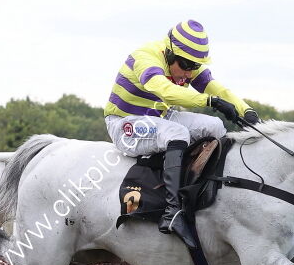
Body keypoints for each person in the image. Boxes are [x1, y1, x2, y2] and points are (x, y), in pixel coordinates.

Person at [104, 19, 256, 233]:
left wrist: (245, 110)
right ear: (169, 52)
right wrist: (210, 101)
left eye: (194, 66)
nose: (189, 72)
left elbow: (217, 89)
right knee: (178, 133)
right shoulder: (145, 58)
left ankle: (211, 193)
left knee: (215, 126)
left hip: (162, 117)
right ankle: (172, 211)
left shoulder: (187, 63)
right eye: (185, 65)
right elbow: (166, 90)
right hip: (124, 123)